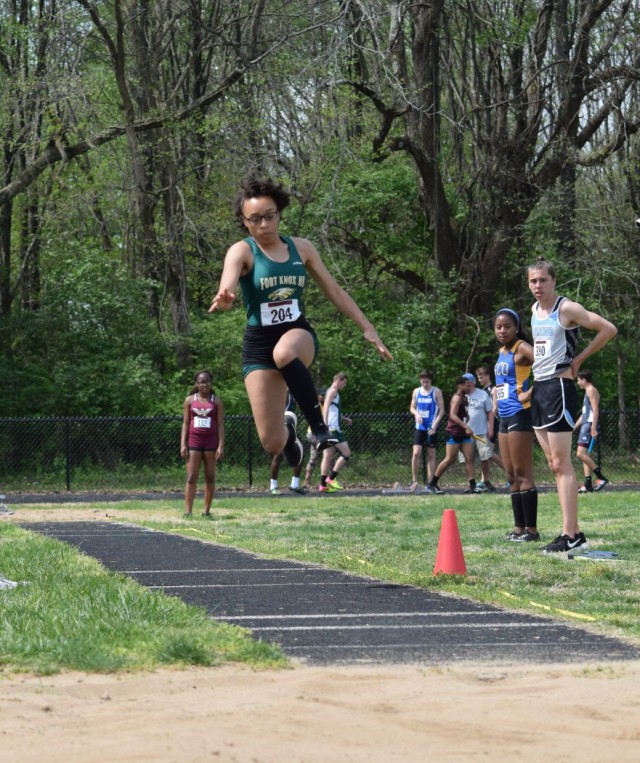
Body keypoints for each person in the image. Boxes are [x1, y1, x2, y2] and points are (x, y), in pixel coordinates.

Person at [208, 176, 392, 470]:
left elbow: (335, 291)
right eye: (255, 219)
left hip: (297, 333)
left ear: (280, 213)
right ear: (244, 222)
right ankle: (290, 432)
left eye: (270, 216)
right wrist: (226, 298)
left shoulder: (302, 249)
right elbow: (227, 284)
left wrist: (367, 327)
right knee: (272, 443)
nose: (264, 225)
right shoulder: (242, 251)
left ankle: (319, 429)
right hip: (258, 343)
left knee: (284, 353)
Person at [528, 259, 617, 553]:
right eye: (532, 281)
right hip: (540, 388)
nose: (537, 286)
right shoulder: (533, 311)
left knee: (563, 464)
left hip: (559, 388)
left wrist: (578, 360)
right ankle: (573, 531)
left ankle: (571, 536)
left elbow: (608, 329)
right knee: (554, 464)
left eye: (542, 280)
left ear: (553, 281)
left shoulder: (566, 309)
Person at [493, 308, 539, 541]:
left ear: (517, 328)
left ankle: (532, 530)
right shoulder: (502, 351)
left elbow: (546, 366)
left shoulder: (521, 347)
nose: (502, 331)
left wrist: (530, 392)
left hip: (520, 414)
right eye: (498, 327)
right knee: (510, 475)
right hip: (504, 415)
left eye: (507, 326)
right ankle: (518, 529)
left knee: (523, 473)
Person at [180, 370, 225, 517]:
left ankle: (206, 511)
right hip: (194, 442)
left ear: (210, 383)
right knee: (192, 476)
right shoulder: (190, 401)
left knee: (210, 477)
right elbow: (186, 424)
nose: (204, 384)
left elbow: (220, 424)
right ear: (196, 384)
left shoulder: (216, 401)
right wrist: (183, 444)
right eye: (201, 382)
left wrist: (220, 445)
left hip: (210, 443)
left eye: (207, 381)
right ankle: (188, 511)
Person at [426, 376, 476, 494]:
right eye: (467, 385)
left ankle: (473, 486)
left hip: (463, 434)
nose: (470, 387)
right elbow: (452, 415)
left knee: (469, 458)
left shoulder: (465, 398)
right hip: (453, 433)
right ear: (460, 386)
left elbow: (461, 414)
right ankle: (432, 484)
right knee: (450, 459)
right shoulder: (457, 398)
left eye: (470, 385)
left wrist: (466, 418)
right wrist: (466, 426)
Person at [458, 372, 504, 492]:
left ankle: (486, 480)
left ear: (473, 382)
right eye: (464, 383)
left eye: (468, 382)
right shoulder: (460, 396)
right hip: (466, 433)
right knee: (467, 458)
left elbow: (490, 412)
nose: (466, 385)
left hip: (481, 431)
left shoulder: (482, 394)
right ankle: (471, 484)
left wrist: (490, 428)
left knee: (485, 456)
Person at [408, 370, 445, 491]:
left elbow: (441, 410)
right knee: (416, 452)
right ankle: (414, 481)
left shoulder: (436, 391)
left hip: (431, 427)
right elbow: (412, 407)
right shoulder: (416, 391)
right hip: (420, 427)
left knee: (431, 454)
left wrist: (435, 425)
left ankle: (430, 482)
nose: (425, 384)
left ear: (431, 381)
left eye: (427, 382)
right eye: (423, 382)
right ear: (420, 381)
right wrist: (416, 414)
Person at [574, 370, 609, 493]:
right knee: (585, 456)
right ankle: (588, 485)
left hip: (589, 426)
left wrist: (593, 428)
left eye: (578, 380)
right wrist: (574, 427)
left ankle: (601, 478)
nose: (577, 382)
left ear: (584, 379)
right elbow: (584, 414)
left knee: (580, 454)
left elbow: (595, 410)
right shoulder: (587, 392)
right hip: (586, 425)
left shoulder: (591, 390)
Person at [318, 372, 352, 492]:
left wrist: (344, 419)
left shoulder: (330, 391)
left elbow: (332, 409)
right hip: (332, 428)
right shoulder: (333, 391)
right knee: (347, 453)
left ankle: (322, 485)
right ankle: (331, 479)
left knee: (327, 456)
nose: (345, 385)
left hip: (330, 426)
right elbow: (326, 406)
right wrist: (325, 425)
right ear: (340, 380)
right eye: (345, 383)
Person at [269, 391, 306, 494]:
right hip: (284, 425)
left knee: (300, 453)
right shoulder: (283, 392)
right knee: (278, 455)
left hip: (290, 425)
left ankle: (294, 484)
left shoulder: (293, 393)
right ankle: (273, 486)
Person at [302, 388, 326, 488]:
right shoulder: (318, 405)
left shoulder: (324, 405)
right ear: (319, 396)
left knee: (314, 458)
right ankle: (328, 481)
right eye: (323, 395)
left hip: (315, 434)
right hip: (313, 434)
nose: (325, 396)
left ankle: (306, 481)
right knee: (329, 454)